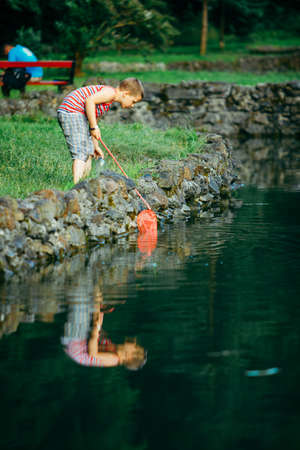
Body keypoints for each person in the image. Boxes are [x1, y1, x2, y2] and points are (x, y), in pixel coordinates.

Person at [57, 78, 144, 184]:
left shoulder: (108, 102)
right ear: (126, 94)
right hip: (72, 111)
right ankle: (76, 186)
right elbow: (89, 101)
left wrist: (95, 145)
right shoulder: (110, 92)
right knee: (81, 152)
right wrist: (94, 127)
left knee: (89, 152)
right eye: (133, 101)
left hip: (77, 113)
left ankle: (84, 184)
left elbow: (93, 119)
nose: (132, 105)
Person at [61, 285, 147, 369]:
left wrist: (95, 331)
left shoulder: (114, 359)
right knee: (93, 314)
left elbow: (93, 354)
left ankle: (78, 289)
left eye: (135, 347)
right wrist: (100, 311)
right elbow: (98, 327)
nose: (135, 343)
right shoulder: (114, 350)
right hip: (75, 342)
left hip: (76, 343)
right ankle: (89, 291)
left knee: (81, 307)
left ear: (129, 357)